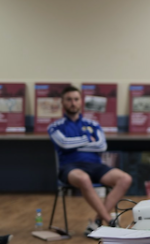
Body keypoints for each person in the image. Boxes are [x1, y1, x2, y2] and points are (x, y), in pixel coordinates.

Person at [48, 86, 133, 236]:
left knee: (125, 179)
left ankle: (96, 223)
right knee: (83, 179)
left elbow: (101, 145)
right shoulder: (55, 126)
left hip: (95, 165)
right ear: (62, 102)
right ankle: (110, 222)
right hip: (69, 167)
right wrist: (88, 140)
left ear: (81, 102)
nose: (73, 103)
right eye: (69, 100)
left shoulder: (93, 124)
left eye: (76, 99)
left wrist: (75, 145)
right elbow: (64, 144)